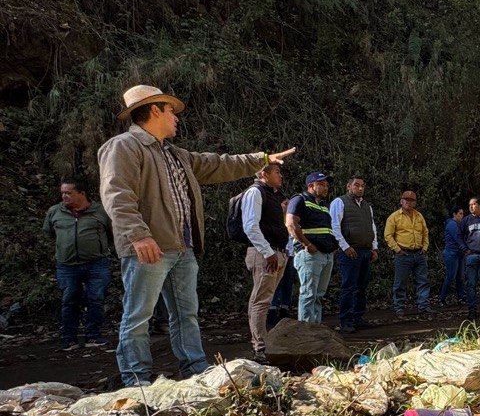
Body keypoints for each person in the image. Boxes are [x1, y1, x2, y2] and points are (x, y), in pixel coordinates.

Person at [98, 84, 295, 386]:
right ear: (154, 110)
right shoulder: (124, 146)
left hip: (182, 247)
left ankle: (195, 369)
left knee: (186, 314)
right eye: (170, 111)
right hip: (149, 247)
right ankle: (136, 380)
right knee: (139, 316)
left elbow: (219, 164)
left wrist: (262, 158)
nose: (176, 117)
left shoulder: (176, 154)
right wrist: (138, 235)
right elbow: (116, 194)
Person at [43, 176, 113, 351]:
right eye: (63, 193)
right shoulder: (55, 212)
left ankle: (94, 336)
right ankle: (69, 339)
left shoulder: (100, 211)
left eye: (69, 193)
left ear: (82, 193)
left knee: (95, 298)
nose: (64, 196)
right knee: (69, 300)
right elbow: (49, 233)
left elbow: (111, 234)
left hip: (96, 263)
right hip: (67, 265)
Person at [239, 163, 289, 361]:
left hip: (277, 253)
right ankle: (260, 348)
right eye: (277, 172)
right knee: (260, 301)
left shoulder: (273, 195)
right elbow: (250, 226)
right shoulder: (255, 193)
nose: (281, 176)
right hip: (264, 254)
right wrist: (268, 253)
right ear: (263, 174)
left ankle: (263, 345)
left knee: (264, 300)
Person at [286, 173, 338, 323]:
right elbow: (291, 224)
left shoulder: (323, 205)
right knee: (308, 294)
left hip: (326, 254)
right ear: (311, 185)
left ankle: (316, 330)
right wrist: (307, 244)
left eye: (327, 185)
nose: (326, 188)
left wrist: (333, 246)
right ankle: (305, 331)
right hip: (310, 254)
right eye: (322, 184)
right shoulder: (300, 199)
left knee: (318, 295)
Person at [331, 176, 379, 333]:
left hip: (366, 251)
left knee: (362, 287)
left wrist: (374, 247)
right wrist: (345, 247)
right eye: (356, 185)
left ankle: (358, 318)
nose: (360, 188)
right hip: (350, 251)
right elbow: (335, 226)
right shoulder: (339, 202)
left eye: (362, 186)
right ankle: (346, 320)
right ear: (348, 186)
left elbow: (372, 227)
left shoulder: (367, 206)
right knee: (348, 287)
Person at [384, 190, 431, 317]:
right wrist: (398, 249)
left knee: (422, 281)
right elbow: (388, 235)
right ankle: (399, 308)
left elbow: (425, 232)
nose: (409, 203)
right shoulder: (394, 217)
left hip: (419, 253)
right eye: (406, 200)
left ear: (415, 203)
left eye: (412, 201)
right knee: (400, 283)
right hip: (403, 254)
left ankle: (423, 306)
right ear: (401, 201)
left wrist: (425, 248)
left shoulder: (419, 216)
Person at [438, 206, 466, 308]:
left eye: (463, 214)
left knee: (460, 277)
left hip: (459, 254)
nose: (462, 216)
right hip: (451, 253)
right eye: (460, 214)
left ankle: (461, 297)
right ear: (454, 214)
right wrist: (466, 248)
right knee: (450, 276)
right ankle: (442, 298)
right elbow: (458, 239)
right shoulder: (452, 224)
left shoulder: (459, 224)